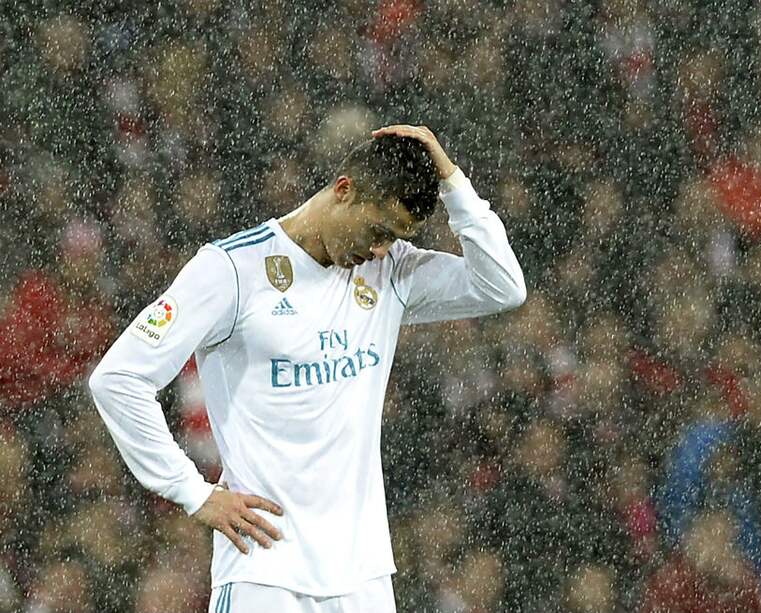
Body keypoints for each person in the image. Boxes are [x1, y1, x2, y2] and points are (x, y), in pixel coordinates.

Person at [88, 124, 527, 613]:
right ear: (344, 190)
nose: (380, 250)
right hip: (265, 573)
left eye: (395, 238)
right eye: (378, 231)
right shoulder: (233, 270)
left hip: (363, 578)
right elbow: (118, 379)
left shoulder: (390, 273)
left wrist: (453, 182)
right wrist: (192, 492)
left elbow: (502, 287)